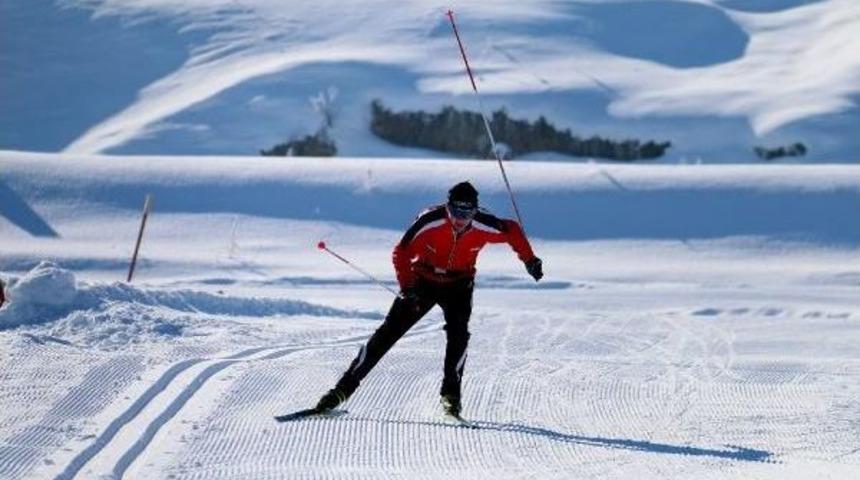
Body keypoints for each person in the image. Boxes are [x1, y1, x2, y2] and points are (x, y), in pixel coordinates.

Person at [315, 181, 543, 417]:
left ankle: (451, 398)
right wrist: (408, 287)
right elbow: (401, 251)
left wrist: (530, 260)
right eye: (455, 211)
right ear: (448, 206)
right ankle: (340, 391)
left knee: (459, 335)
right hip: (423, 279)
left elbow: (513, 231)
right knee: (387, 333)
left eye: (466, 213)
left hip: (459, 284)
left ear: (475, 210)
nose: (460, 219)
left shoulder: (484, 224)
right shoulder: (430, 220)